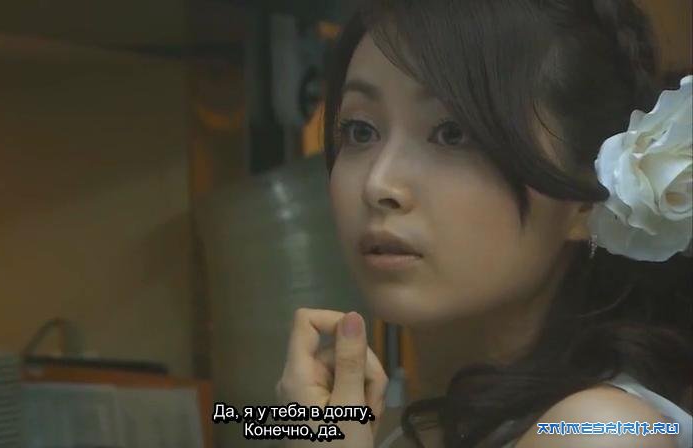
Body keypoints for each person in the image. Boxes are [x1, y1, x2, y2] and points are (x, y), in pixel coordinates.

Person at [275, 0, 693, 447]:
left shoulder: (602, 431)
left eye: (453, 134)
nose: (379, 184)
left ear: (586, 197)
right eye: (360, 130)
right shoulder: (392, 425)